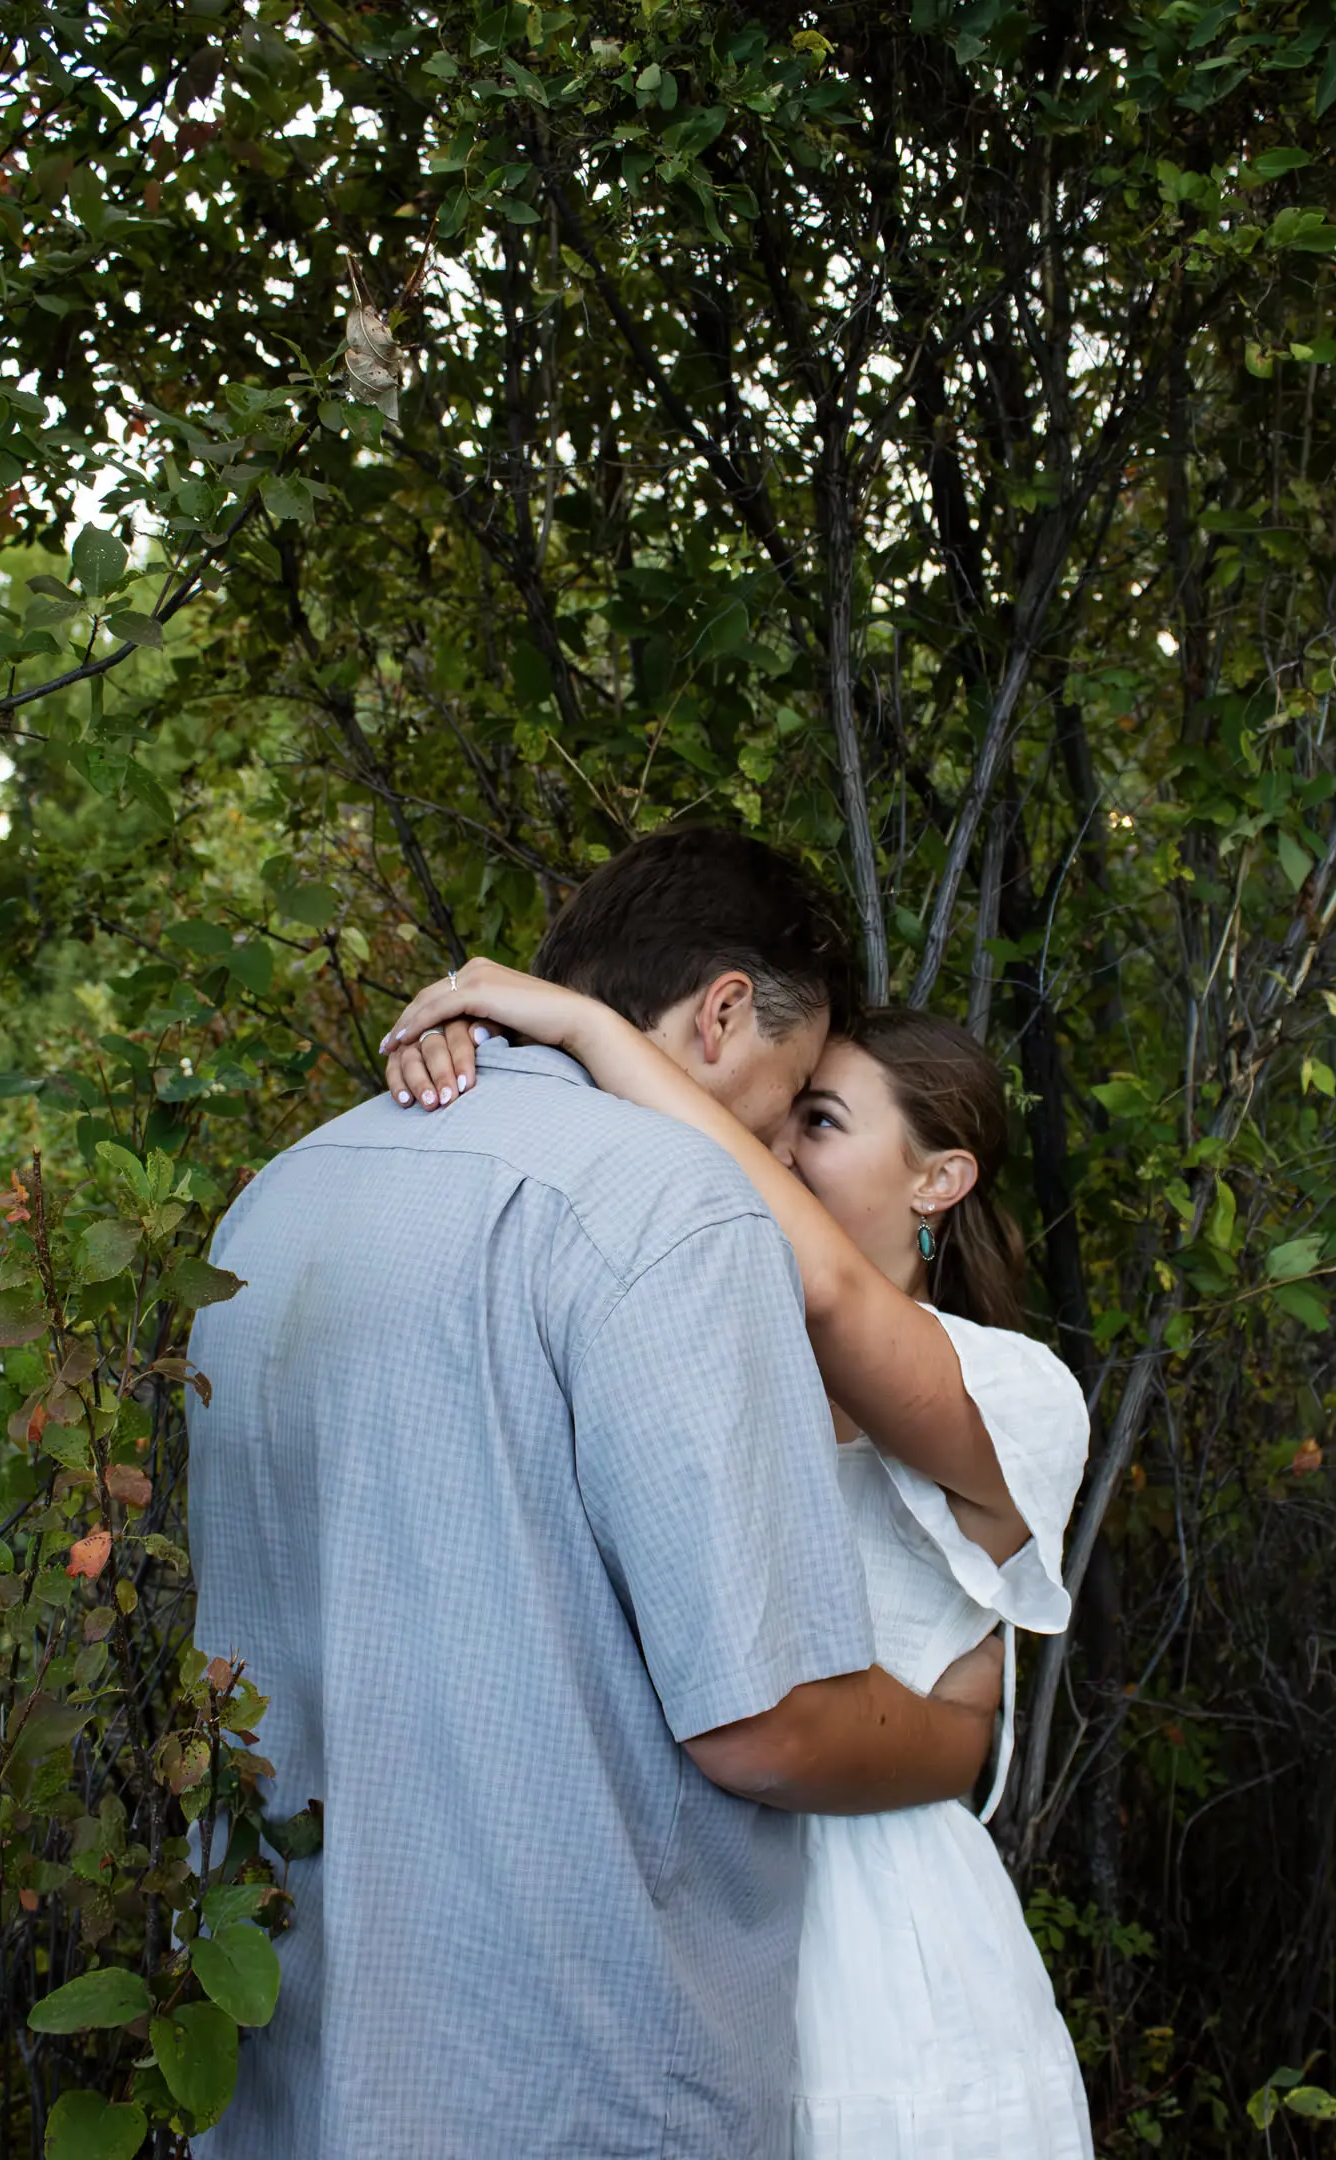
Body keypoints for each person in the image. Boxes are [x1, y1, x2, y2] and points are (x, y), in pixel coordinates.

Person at [186, 827, 1001, 2160]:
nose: (778, 1157)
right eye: (790, 1096)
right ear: (725, 1011)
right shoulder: (674, 1211)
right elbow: (767, 1727)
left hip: (291, 2062)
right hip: (565, 2075)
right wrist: (965, 1741)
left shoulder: (278, 1194)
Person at [385, 956, 1095, 2158]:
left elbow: (826, 1289)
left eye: (820, 1119)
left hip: (880, 1936)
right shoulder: (698, 1354)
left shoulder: (1020, 1393)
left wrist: (582, 1025)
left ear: (940, 1178)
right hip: (673, 1911)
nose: (772, 1137)